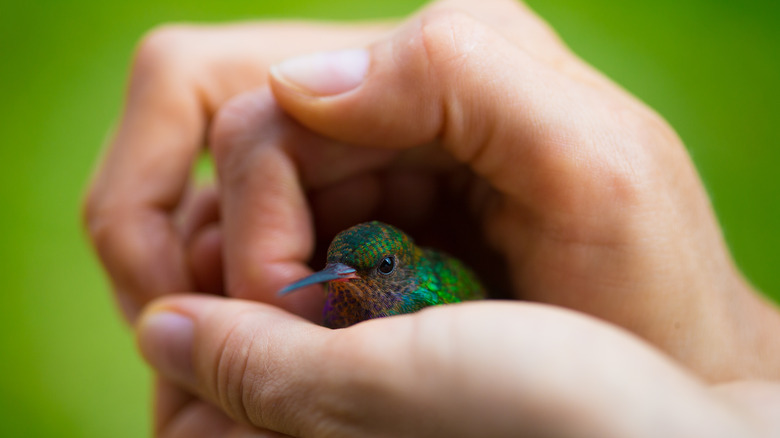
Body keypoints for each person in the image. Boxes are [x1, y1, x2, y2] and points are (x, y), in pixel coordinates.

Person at [83, 0, 780, 436]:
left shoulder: (425, 297)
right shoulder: (338, 300)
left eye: (371, 268)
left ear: (402, 270)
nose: (339, 279)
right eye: (334, 265)